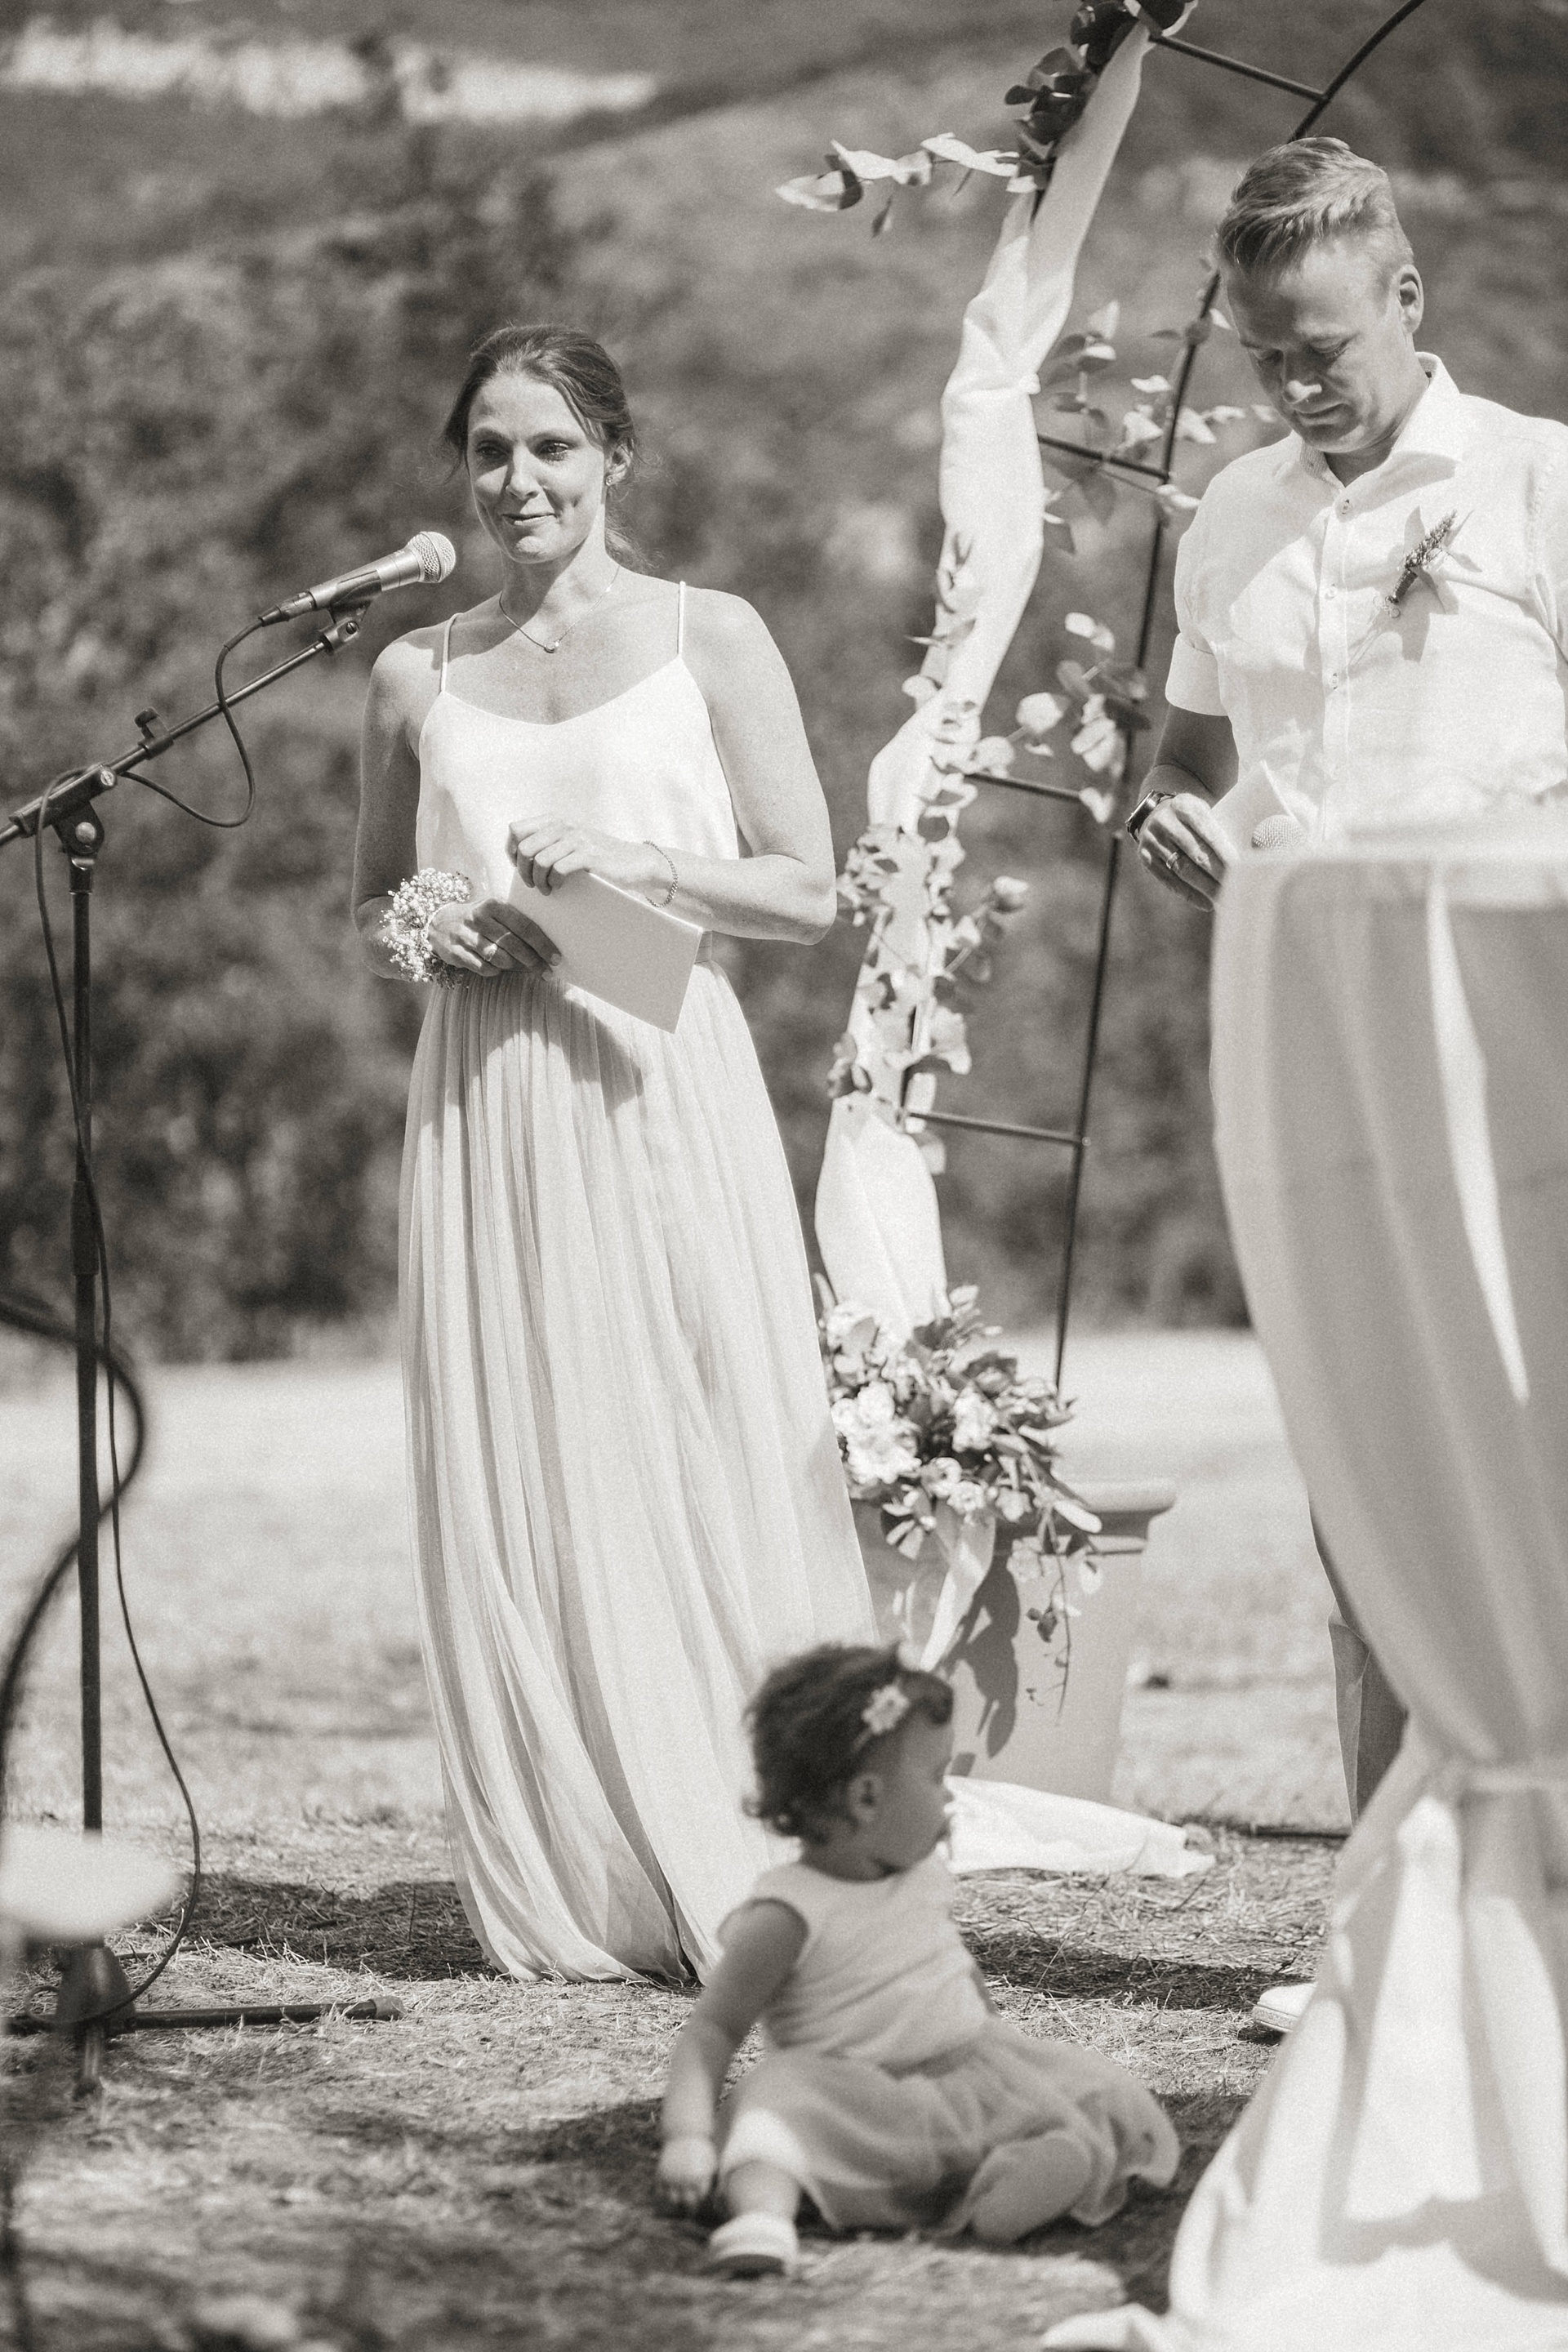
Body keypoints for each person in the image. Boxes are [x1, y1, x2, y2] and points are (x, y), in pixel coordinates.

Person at [351, 324, 876, 1984]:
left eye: (554, 450)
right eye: (493, 451)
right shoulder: (413, 673)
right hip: (493, 1094)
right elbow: (374, 895)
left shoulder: (711, 637)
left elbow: (812, 890)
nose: (520, 482)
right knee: (539, 1455)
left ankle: (751, 1827)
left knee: (701, 1427)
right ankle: (582, 1853)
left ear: (617, 462)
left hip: (663, 1074)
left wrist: (635, 862)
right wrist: (439, 932)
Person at [1124, 138, 1568, 2027]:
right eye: (1261, 353)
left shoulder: (1542, 479)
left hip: (1517, 1019)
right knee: (1355, 1459)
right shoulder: (1228, 512)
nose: (1295, 384)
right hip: (1308, 1023)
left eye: (1320, 345)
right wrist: (1193, 828)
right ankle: (1383, 1911)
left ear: (1404, 298)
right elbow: (1236, 762)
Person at [656, 1642, 1178, 2277]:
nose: (949, 1797)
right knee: (775, 2104)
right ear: (867, 1799)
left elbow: (944, 1961)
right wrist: (686, 2136)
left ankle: (1012, 2186)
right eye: (936, 1778)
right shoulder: (787, 1913)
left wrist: (986, 2025)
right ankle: (762, 2217)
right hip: (851, 2102)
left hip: (960, 2075)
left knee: (1082, 2093)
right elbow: (712, 2031)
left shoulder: (923, 1873)